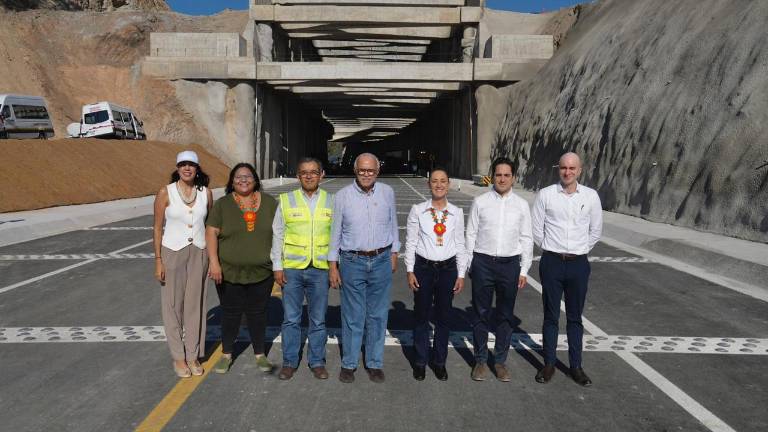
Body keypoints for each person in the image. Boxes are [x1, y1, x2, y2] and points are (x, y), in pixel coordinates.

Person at [329, 153, 400, 384]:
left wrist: (394, 252)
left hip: (381, 259)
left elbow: (393, 224)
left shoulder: (387, 192)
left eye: (370, 171)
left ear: (377, 171)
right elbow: (335, 233)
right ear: (355, 171)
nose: (366, 175)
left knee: (378, 314)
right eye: (362, 170)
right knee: (352, 315)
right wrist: (333, 265)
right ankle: (349, 363)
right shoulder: (342, 196)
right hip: (352, 261)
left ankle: (374, 362)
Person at [532, 152, 602, 386]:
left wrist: (579, 249)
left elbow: (595, 231)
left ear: (580, 171)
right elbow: (536, 229)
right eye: (563, 168)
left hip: (578, 265)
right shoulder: (546, 195)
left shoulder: (591, 197)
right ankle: (549, 363)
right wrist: (553, 249)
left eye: (572, 168)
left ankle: (576, 366)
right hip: (551, 262)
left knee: (575, 318)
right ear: (558, 169)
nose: (567, 172)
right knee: (550, 316)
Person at [205, 163, 278, 374]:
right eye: (238, 177)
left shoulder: (270, 203)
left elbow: (280, 233)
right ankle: (227, 354)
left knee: (258, 313)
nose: (243, 180)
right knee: (230, 314)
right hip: (228, 272)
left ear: (255, 180)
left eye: (247, 176)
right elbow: (211, 233)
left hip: (262, 271)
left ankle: (260, 353)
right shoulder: (223, 204)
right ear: (231, 181)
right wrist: (214, 263)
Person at [465, 157, 533, 382]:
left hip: (510, 265)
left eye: (506, 175)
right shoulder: (481, 201)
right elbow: (471, 234)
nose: (502, 179)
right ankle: (481, 361)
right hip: (483, 262)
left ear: (513, 177)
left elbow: (526, 238)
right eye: (498, 174)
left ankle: (500, 362)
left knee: (505, 315)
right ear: (492, 176)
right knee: (480, 313)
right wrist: (469, 263)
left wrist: (523, 270)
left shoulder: (522, 205)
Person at [271, 157, 333, 380]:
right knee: (291, 319)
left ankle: (317, 362)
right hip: (292, 269)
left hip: (320, 268)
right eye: (304, 172)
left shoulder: (330, 201)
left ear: (321, 175)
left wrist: (335, 267)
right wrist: (277, 266)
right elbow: (278, 234)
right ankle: (289, 362)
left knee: (318, 319)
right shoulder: (286, 200)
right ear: (298, 176)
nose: (309, 176)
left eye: (313, 172)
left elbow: (336, 237)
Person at [152, 150, 213, 378]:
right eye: (183, 164)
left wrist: (213, 259)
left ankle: (193, 354)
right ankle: (178, 357)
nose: (187, 168)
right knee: (172, 306)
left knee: (195, 306)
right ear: (177, 168)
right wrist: (158, 260)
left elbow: (209, 227)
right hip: (172, 252)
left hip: (199, 253)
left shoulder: (205, 193)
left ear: (197, 169)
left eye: (191, 165)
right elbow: (158, 228)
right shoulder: (165, 193)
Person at [404, 168, 467, 381]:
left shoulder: (457, 212)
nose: (438, 185)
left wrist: (461, 274)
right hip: (424, 268)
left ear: (448, 184)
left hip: (448, 269)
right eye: (434, 181)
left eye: (442, 181)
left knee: (443, 317)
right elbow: (411, 241)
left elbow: (460, 243)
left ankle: (439, 361)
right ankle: (420, 361)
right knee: (421, 315)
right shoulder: (418, 210)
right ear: (428, 184)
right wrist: (410, 270)